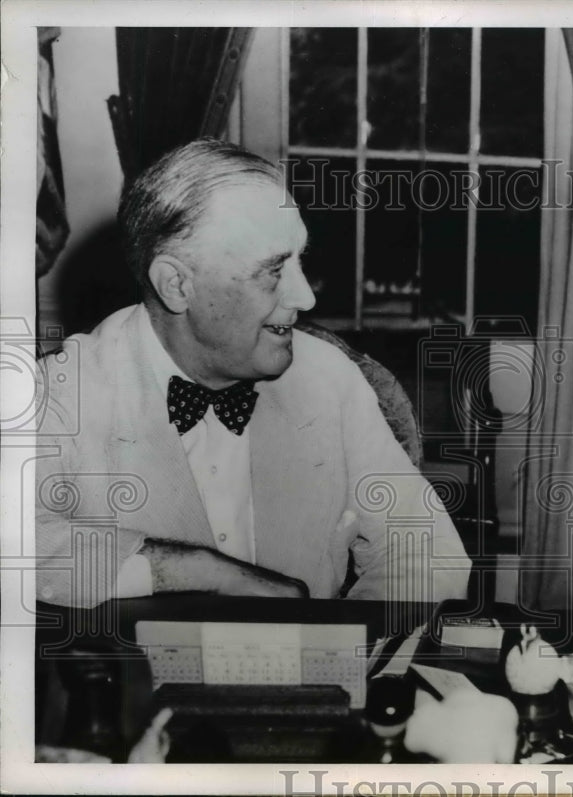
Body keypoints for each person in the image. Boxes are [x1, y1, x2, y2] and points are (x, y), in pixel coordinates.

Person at [35, 138, 471, 608]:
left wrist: (335, 651)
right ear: (177, 285)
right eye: (273, 270)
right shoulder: (59, 393)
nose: (305, 298)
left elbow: (426, 551)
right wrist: (195, 572)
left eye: (300, 260)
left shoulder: (327, 378)